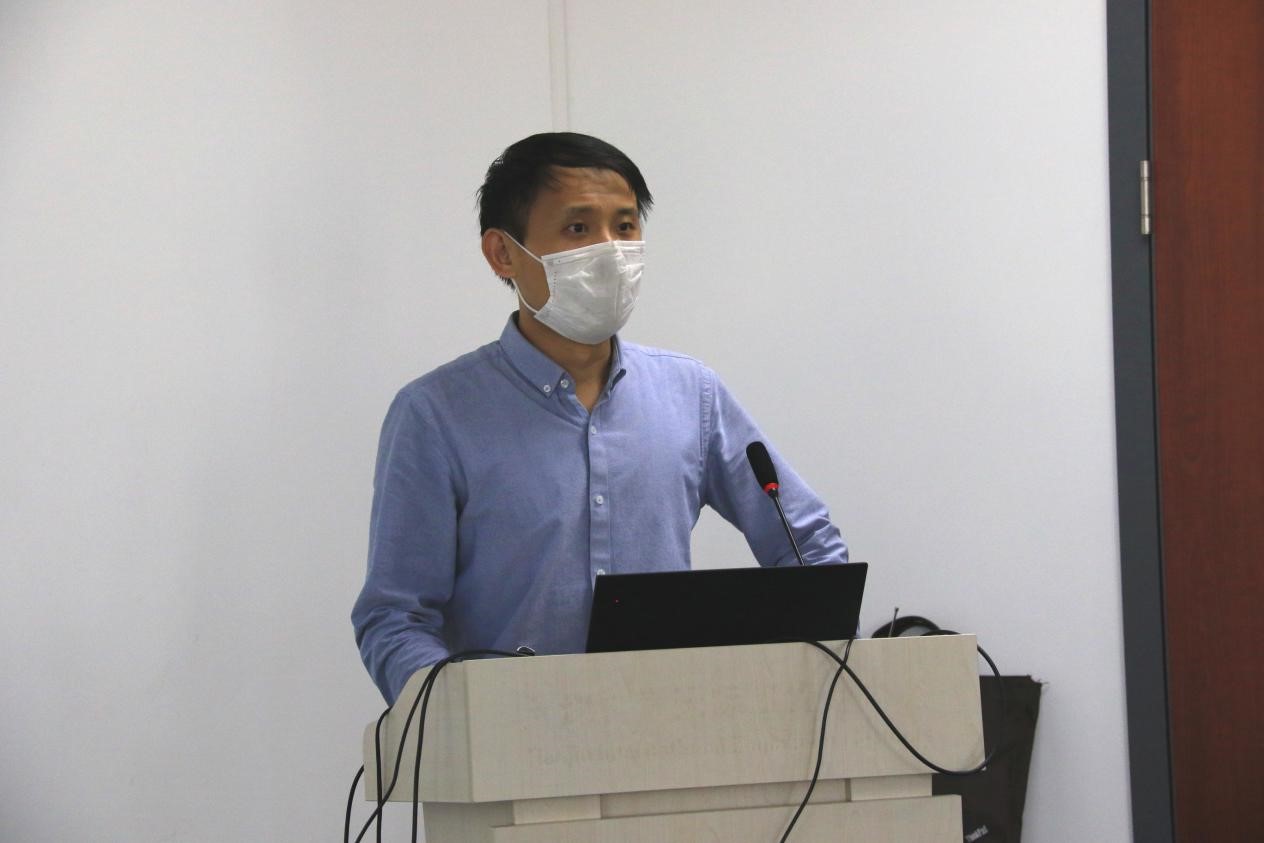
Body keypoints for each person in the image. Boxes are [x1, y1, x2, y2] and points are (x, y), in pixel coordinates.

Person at [352, 132, 848, 703]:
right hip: (509, 738)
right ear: (503, 253)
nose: (611, 251)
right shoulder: (436, 415)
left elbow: (806, 543)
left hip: (676, 726)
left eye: (626, 226)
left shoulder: (691, 394)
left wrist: (818, 673)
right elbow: (396, 618)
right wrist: (456, 716)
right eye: (578, 228)